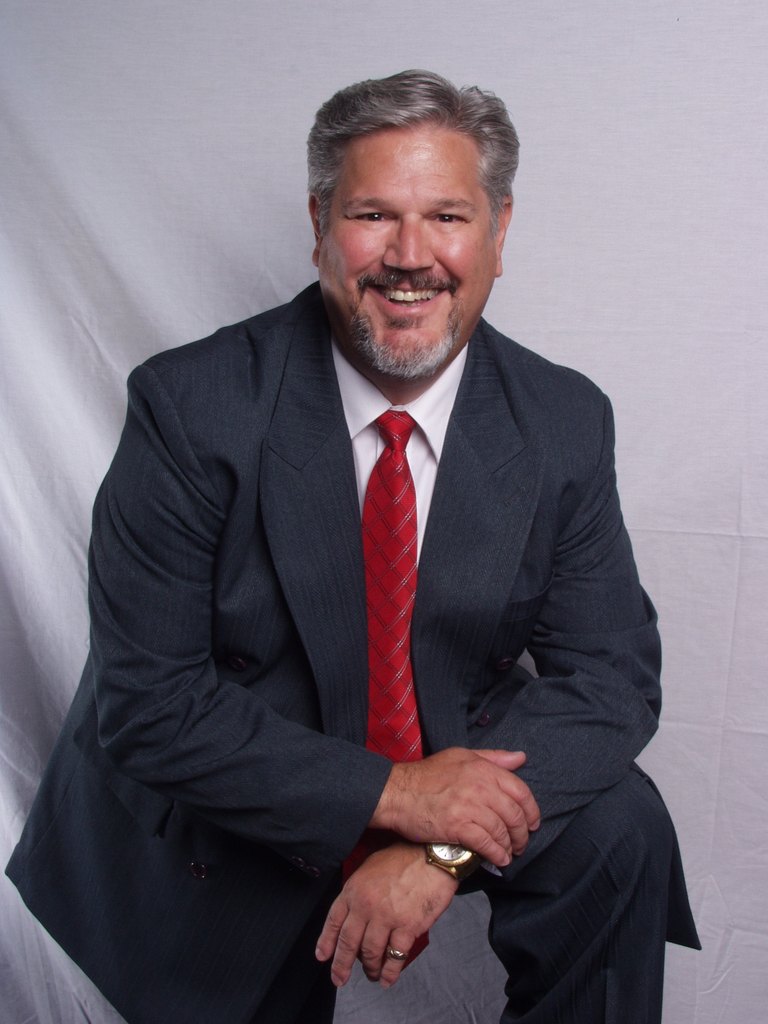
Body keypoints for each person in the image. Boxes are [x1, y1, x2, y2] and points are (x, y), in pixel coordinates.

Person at [6, 70, 699, 1024]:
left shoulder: (561, 419)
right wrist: (398, 795)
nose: (411, 258)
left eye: (447, 217)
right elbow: (151, 708)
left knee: (621, 827)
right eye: (374, 215)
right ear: (320, 223)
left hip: (440, 737)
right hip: (243, 780)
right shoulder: (191, 406)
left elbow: (612, 677)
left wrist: (441, 847)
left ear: (499, 232)